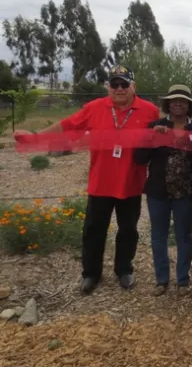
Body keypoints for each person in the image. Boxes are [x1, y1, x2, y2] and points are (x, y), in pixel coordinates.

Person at [13, 65, 160, 294]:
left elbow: (162, 136)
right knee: (93, 229)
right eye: (114, 84)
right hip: (100, 182)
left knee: (128, 229)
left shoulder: (150, 110)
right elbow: (68, 126)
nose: (119, 89)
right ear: (108, 87)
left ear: (133, 86)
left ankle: (124, 269)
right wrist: (36, 138)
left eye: (124, 84)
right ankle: (91, 273)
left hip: (131, 183)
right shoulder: (94, 108)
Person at [133, 84, 192, 296]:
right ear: (168, 104)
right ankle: (161, 280)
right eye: (173, 100)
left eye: (182, 101)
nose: (177, 104)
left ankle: (183, 280)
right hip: (158, 193)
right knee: (158, 236)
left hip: (185, 194)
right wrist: (152, 139)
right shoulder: (155, 126)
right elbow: (139, 159)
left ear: (189, 105)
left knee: (184, 236)